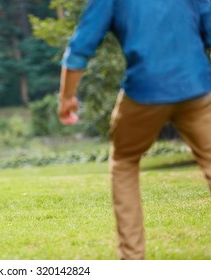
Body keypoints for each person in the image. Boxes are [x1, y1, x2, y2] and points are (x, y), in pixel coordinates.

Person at [58, 0, 211, 260]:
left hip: (144, 92)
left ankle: (132, 261)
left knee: (125, 161)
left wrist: (66, 98)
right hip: (197, 88)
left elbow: (80, 47)